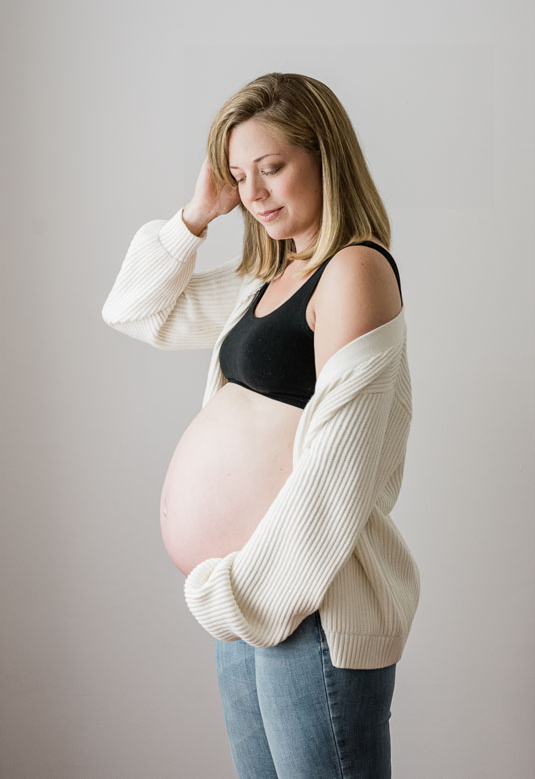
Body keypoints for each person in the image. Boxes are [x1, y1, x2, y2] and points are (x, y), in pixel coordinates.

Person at [101, 72, 420, 779]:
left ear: (325, 158)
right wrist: (196, 212)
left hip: (304, 606)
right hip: (247, 607)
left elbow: (339, 468)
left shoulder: (354, 271)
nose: (255, 194)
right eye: (240, 176)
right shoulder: (266, 277)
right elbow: (133, 311)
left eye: (272, 168)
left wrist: (250, 594)